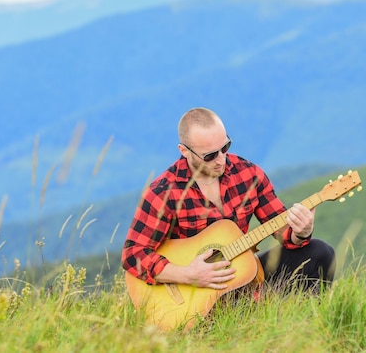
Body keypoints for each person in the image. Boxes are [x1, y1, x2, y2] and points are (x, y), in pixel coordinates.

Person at [122, 107, 335, 296]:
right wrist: (187, 275)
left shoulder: (248, 175)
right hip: (196, 292)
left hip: (242, 273)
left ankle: (307, 328)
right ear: (184, 151)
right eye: (210, 156)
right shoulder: (164, 192)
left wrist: (301, 232)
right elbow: (133, 254)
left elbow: (284, 234)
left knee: (320, 252)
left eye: (225, 147)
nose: (221, 159)